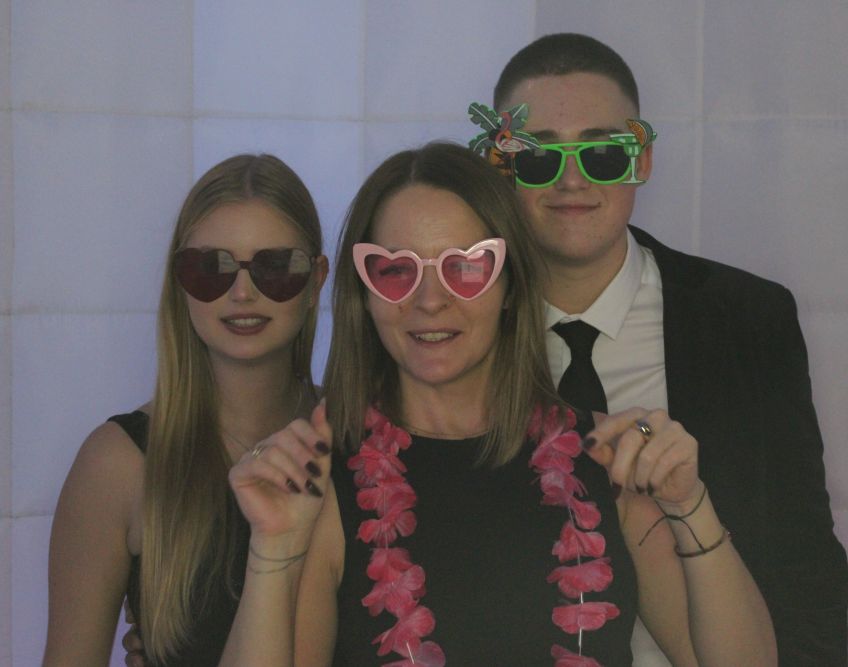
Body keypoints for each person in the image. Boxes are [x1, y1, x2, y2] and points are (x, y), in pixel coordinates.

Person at [215, 141, 776, 666]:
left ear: (510, 286)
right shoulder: (321, 483)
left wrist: (689, 503)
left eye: (465, 267)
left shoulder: (605, 458)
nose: (430, 301)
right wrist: (273, 550)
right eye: (396, 270)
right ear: (365, 294)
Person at [487, 33, 848, 666]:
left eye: (603, 153)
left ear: (642, 159)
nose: (571, 179)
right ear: (501, 167)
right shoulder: (454, 330)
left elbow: (803, 556)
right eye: (538, 156)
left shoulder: (747, 319)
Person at [43, 154, 330, 666]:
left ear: (317, 281)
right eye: (210, 268)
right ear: (179, 281)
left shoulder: (364, 438)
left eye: (275, 267)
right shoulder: (117, 465)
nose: (243, 292)